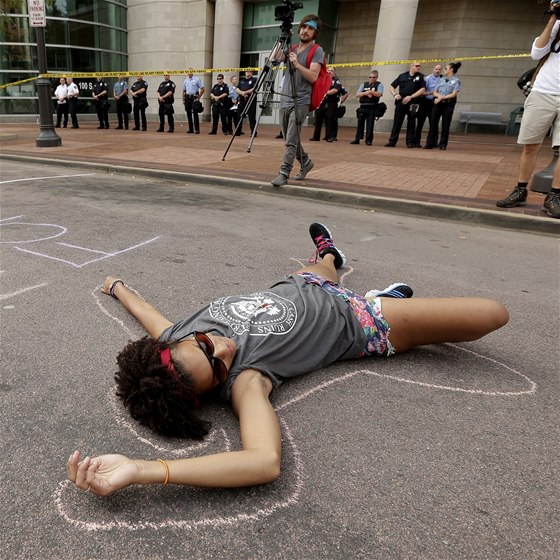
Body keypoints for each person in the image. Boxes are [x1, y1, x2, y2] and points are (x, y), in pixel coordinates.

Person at [66, 222, 508, 496]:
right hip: (364, 320)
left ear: (177, 343)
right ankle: (383, 297)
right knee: (490, 314)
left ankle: (329, 252)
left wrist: (118, 286)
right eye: (217, 365)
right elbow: (262, 461)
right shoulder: (246, 382)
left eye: (206, 344)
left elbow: (150, 317)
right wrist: (144, 471)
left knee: (328, 262)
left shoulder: (175, 336)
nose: (223, 348)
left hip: (302, 285)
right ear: (216, 386)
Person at [496, 5, 560, 219]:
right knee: (530, 145)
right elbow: (536, 53)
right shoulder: (557, 25)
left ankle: (554, 196)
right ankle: (521, 189)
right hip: (543, 91)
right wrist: (553, 18)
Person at [271, 14, 325, 187]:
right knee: (290, 139)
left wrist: (297, 64)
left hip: (301, 101)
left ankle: (284, 173)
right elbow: (274, 58)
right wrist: (282, 39)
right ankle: (306, 161)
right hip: (285, 99)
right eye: (303, 27)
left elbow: (313, 76)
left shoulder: (316, 50)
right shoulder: (292, 47)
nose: (305, 30)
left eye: (310, 28)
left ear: (315, 32)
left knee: (290, 140)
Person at [385, 62, 426, 148]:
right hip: (401, 102)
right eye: (417, 66)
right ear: (411, 66)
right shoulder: (402, 76)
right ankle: (392, 141)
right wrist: (395, 95)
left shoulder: (421, 77)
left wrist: (411, 97)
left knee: (411, 122)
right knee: (397, 122)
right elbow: (392, 86)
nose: (419, 67)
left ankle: (410, 142)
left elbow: (422, 90)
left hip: (413, 102)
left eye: (420, 66)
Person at [423, 62, 462, 150]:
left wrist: (441, 98)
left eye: (445, 68)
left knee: (445, 124)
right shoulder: (441, 79)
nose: (444, 70)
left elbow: (453, 94)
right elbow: (434, 91)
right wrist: (439, 97)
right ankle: (430, 143)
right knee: (433, 123)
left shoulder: (456, 81)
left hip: (448, 104)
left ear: (451, 69)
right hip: (438, 103)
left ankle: (443, 144)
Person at [309, 66, 344, 143]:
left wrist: (325, 92)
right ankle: (316, 136)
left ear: (334, 73)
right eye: (328, 71)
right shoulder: (322, 80)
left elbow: (335, 90)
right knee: (318, 119)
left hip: (331, 102)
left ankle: (329, 137)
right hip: (321, 102)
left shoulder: (336, 81)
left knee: (329, 120)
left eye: (331, 71)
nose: (329, 72)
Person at [350, 70, 383, 146]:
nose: (371, 79)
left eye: (373, 77)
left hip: (372, 106)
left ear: (376, 77)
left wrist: (371, 92)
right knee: (360, 123)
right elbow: (357, 94)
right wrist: (365, 93)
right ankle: (357, 139)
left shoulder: (379, 85)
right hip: (363, 106)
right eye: (370, 77)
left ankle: (368, 140)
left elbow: (379, 94)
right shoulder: (363, 84)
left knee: (370, 124)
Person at [414, 63, 442, 147]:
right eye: (436, 69)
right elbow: (422, 91)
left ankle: (434, 142)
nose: (438, 71)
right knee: (420, 123)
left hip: (435, 102)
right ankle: (416, 142)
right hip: (425, 102)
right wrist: (430, 93)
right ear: (433, 69)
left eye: (439, 69)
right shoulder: (427, 78)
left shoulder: (442, 79)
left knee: (434, 123)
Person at [182, 70, 205, 134]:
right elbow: (184, 91)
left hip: (194, 98)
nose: (190, 73)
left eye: (191, 72)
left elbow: (203, 89)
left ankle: (197, 129)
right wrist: (183, 99)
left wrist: (198, 98)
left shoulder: (197, 79)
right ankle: (190, 129)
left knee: (195, 113)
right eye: (189, 72)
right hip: (187, 98)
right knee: (188, 113)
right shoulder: (186, 81)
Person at [236, 70, 257, 136]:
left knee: (251, 117)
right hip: (242, 100)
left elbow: (254, 89)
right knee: (239, 116)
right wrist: (242, 93)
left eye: (249, 71)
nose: (248, 72)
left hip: (250, 100)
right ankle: (238, 131)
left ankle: (253, 132)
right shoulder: (242, 81)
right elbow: (237, 89)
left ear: (251, 73)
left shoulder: (254, 80)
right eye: (246, 71)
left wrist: (245, 92)